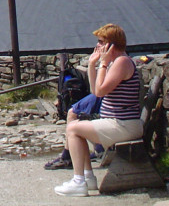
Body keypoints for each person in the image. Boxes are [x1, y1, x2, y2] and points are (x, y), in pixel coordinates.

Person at [53, 23, 142, 197]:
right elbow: (95, 91)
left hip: (124, 125)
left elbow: (101, 91)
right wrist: (93, 65)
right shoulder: (115, 62)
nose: (98, 46)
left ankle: (79, 182)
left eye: (101, 42)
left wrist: (102, 64)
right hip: (118, 122)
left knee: (73, 129)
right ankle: (87, 177)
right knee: (77, 126)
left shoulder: (122, 62)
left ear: (112, 45)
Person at [44, 93, 104, 170]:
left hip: (107, 94)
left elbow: (97, 90)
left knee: (72, 114)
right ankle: (100, 148)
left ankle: (67, 157)